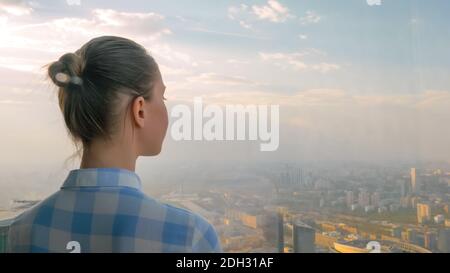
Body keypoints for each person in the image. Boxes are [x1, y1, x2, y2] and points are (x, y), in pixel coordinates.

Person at [7, 36, 221, 253]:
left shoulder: (22, 231)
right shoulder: (190, 236)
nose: (167, 111)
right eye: (162, 98)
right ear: (139, 110)